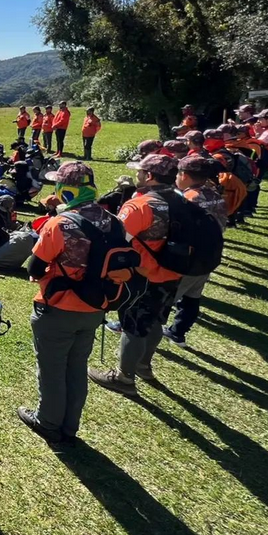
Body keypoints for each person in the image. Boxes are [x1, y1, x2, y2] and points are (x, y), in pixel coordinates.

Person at [17, 162, 116, 444]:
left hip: (59, 307)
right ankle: (70, 426)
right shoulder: (114, 220)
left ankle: (48, 422)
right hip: (96, 306)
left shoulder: (60, 224)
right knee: (76, 367)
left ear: (67, 190)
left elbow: (35, 268)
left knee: (51, 368)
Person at [88, 154, 181, 395]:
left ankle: (124, 378)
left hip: (142, 275)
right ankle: (143, 365)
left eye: (140, 171)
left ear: (149, 176)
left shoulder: (140, 205)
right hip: (173, 272)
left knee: (134, 325)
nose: (137, 175)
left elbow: (116, 239)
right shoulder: (183, 199)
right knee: (157, 319)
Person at [162, 156, 227, 348]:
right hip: (210, 254)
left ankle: (145, 334)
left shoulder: (187, 199)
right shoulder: (215, 194)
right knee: (192, 296)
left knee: (166, 299)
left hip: (187, 258)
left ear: (184, 175)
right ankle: (178, 332)